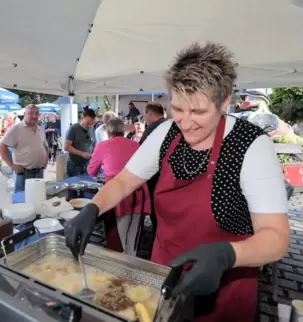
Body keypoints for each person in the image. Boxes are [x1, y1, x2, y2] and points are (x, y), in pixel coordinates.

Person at [64, 42, 290, 321]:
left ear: (224, 100)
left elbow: (277, 238)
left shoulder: (250, 146)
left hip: (225, 288)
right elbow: (123, 182)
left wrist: (227, 255)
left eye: (198, 112)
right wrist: (93, 208)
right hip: (165, 276)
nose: (185, 122)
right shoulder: (165, 134)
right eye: (178, 108)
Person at [87, 118, 150, 255]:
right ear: (123, 130)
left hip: (117, 193)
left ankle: (119, 270)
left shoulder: (103, 145)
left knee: (118, 238)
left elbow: (92, 171)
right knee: (133, 237)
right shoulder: (135, 145)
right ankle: (131, 266)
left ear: (108, 131)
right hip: (138, 191)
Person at [0, 104, 49, 192]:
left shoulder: (40, 129)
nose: (34, 116)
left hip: (39, 172)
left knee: (38, 196)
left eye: (36, 113)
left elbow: (45, 146)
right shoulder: (16, 128)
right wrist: (12, 165)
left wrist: (46, 161)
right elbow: (1, 147)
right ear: (25, 114)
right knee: (22, 200)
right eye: (31, 113)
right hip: (24, 173)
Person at [139, 102, 166, 236]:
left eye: (145, 114)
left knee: (156, 208)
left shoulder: (152, 127)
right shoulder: (172, 125)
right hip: (169, 176)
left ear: (150, 113)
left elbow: (141, 151)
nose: (145, 118)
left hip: (155, 176)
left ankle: (156, 235)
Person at [64, 108, 96, 177]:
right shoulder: (73, 129)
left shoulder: (92, 129)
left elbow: (94, 144)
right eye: (88, 123)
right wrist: (82, 154)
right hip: (74, 166)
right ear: (83, 118)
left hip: (87, 165)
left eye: (91, 124)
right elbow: (67, 147)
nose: (89, 126)